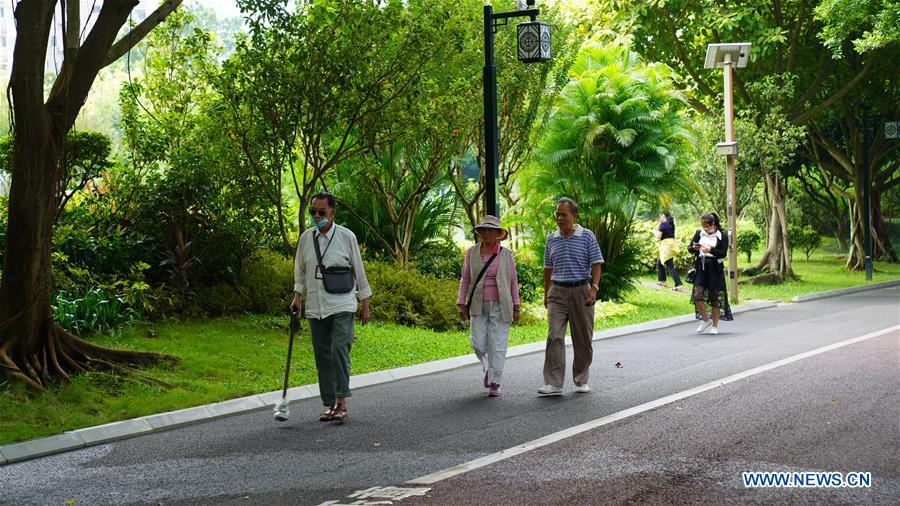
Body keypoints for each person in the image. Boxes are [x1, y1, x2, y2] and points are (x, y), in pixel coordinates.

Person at [291, 192, 372, 422]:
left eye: (321, 212)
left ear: (332, 212)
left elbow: (358, 269)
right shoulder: (306, 239)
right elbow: (300, 271)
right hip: (316, 305)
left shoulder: (347, 237)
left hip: (343, 303)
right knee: (322, 355)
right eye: (313, 212)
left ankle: (341, 402)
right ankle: (330, 402)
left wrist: (365, 303)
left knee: (339, 349)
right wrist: (297, 297)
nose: (316, 216)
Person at [538, 198, 604, 396]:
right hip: (557, 292)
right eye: (557, 214)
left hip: (581, 291)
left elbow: (596, 264)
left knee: (582, 338)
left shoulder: (586, 236)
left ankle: (581, 378)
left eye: (563, 215)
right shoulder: (551, 239)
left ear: (574, 216)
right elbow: (548, 269)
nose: (559, 218)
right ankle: (553, 383)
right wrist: (546, 293)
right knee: (554, 336)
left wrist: (593, 289)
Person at [457, 215, 521, 397]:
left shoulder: (506, 254)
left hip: (502, 305)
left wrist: (516, 306)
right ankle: (487, 367)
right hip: (478, 303)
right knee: (477, 342)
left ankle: (495, 381)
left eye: (490, 230)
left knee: (498, 344)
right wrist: (461, 302)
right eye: (483, 230)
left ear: (497, 234)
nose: (486, 233)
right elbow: (466, 278)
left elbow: (512, 282)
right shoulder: (471, 253)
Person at [688, 213, 733, 335]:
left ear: (713, 224)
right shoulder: (699, 233)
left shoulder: (722, 236)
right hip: (701, 267)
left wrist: (711, 250)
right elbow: (689, 248)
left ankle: (714, 326)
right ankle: (705, 319)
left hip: (715, 268)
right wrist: (694, 248)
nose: (704, 228)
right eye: (702, 226)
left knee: (715, 297)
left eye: (706, 226)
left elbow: (723, 253)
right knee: (697, 295)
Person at [655, 211, 683, 291]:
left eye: (660, 215)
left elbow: (658, 236)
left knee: (669, 265)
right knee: (659, 262)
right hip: (672, 245)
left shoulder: (663, 224)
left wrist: (654, 232)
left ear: (663, 215)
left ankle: (678, 284)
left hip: (666, 246)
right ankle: (662, 281)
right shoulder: (671, 224)